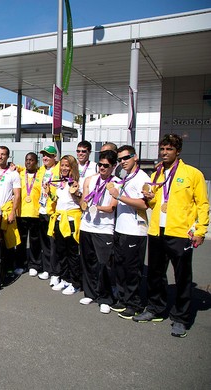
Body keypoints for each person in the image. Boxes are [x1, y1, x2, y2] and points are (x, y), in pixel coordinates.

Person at [134, 134, 209, 338]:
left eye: (169, 149)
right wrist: (148, 198)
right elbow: (153, 202)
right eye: (162, 149)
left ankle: (181, 319)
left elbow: (202, 204)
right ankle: (155, 308)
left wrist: (200, 230)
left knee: (182, 277)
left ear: (178, 151)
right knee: (156, 274)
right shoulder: (157, 174)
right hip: (157, 231)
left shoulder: (193, 174)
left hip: (181, 233)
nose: (164, 152)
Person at [106, 145, 151, 319]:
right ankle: (124, 299)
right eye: (120, 159)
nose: (123, 162)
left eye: (126, 158)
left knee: (133, 270)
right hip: (121, 228)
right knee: (121, 266)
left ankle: (135, 304)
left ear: (135, 157)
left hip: (135, 230)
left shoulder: (142, 178)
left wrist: (118, 196)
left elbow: (143, 204)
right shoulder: (126, 176)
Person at [79, 150, 119, 314]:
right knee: (88, 261)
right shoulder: (90, 179)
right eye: (100, 165)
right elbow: (84, 199)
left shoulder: (117, 182)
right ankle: (90, 293)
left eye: (106, 166)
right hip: (87, 225)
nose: (102, 168)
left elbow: (112, 207)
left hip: (104, 228)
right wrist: (84, 202)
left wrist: (95, 207)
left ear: (113, 166)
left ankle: (105, 297)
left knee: (104, 264)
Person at [47, 155, 83, 296]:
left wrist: (76, 192)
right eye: (62, 165)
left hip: (71, 220)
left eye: (67, 166)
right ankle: (65, 278)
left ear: (73, 167)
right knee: (61, 251)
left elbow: (81, 202)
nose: (63, 168)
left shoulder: (77, 182)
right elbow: (57, 200)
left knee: (72, 253)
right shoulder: (61, 182)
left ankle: (75, 282)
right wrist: (49, 193)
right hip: (59, 218)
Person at [16, 152, 43, 277]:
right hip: (21, 213)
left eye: (31, 160)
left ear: (36, 162)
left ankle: (34, 265)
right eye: (27, 160)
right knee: (21, 241)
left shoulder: (41, 174)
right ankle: (21, 264)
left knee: (35, 241)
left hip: (35, 213)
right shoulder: (20, 174)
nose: (28, 162)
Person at [37, 145, 60, 283]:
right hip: (41, 210)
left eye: (48, 156)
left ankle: (55, 272)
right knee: (44, 243)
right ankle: (46, 269)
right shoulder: (41, 170)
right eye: (44, 155)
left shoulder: (59, 170)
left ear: (54, 157)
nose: (45, 158)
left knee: (54, 244)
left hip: (53, 212)